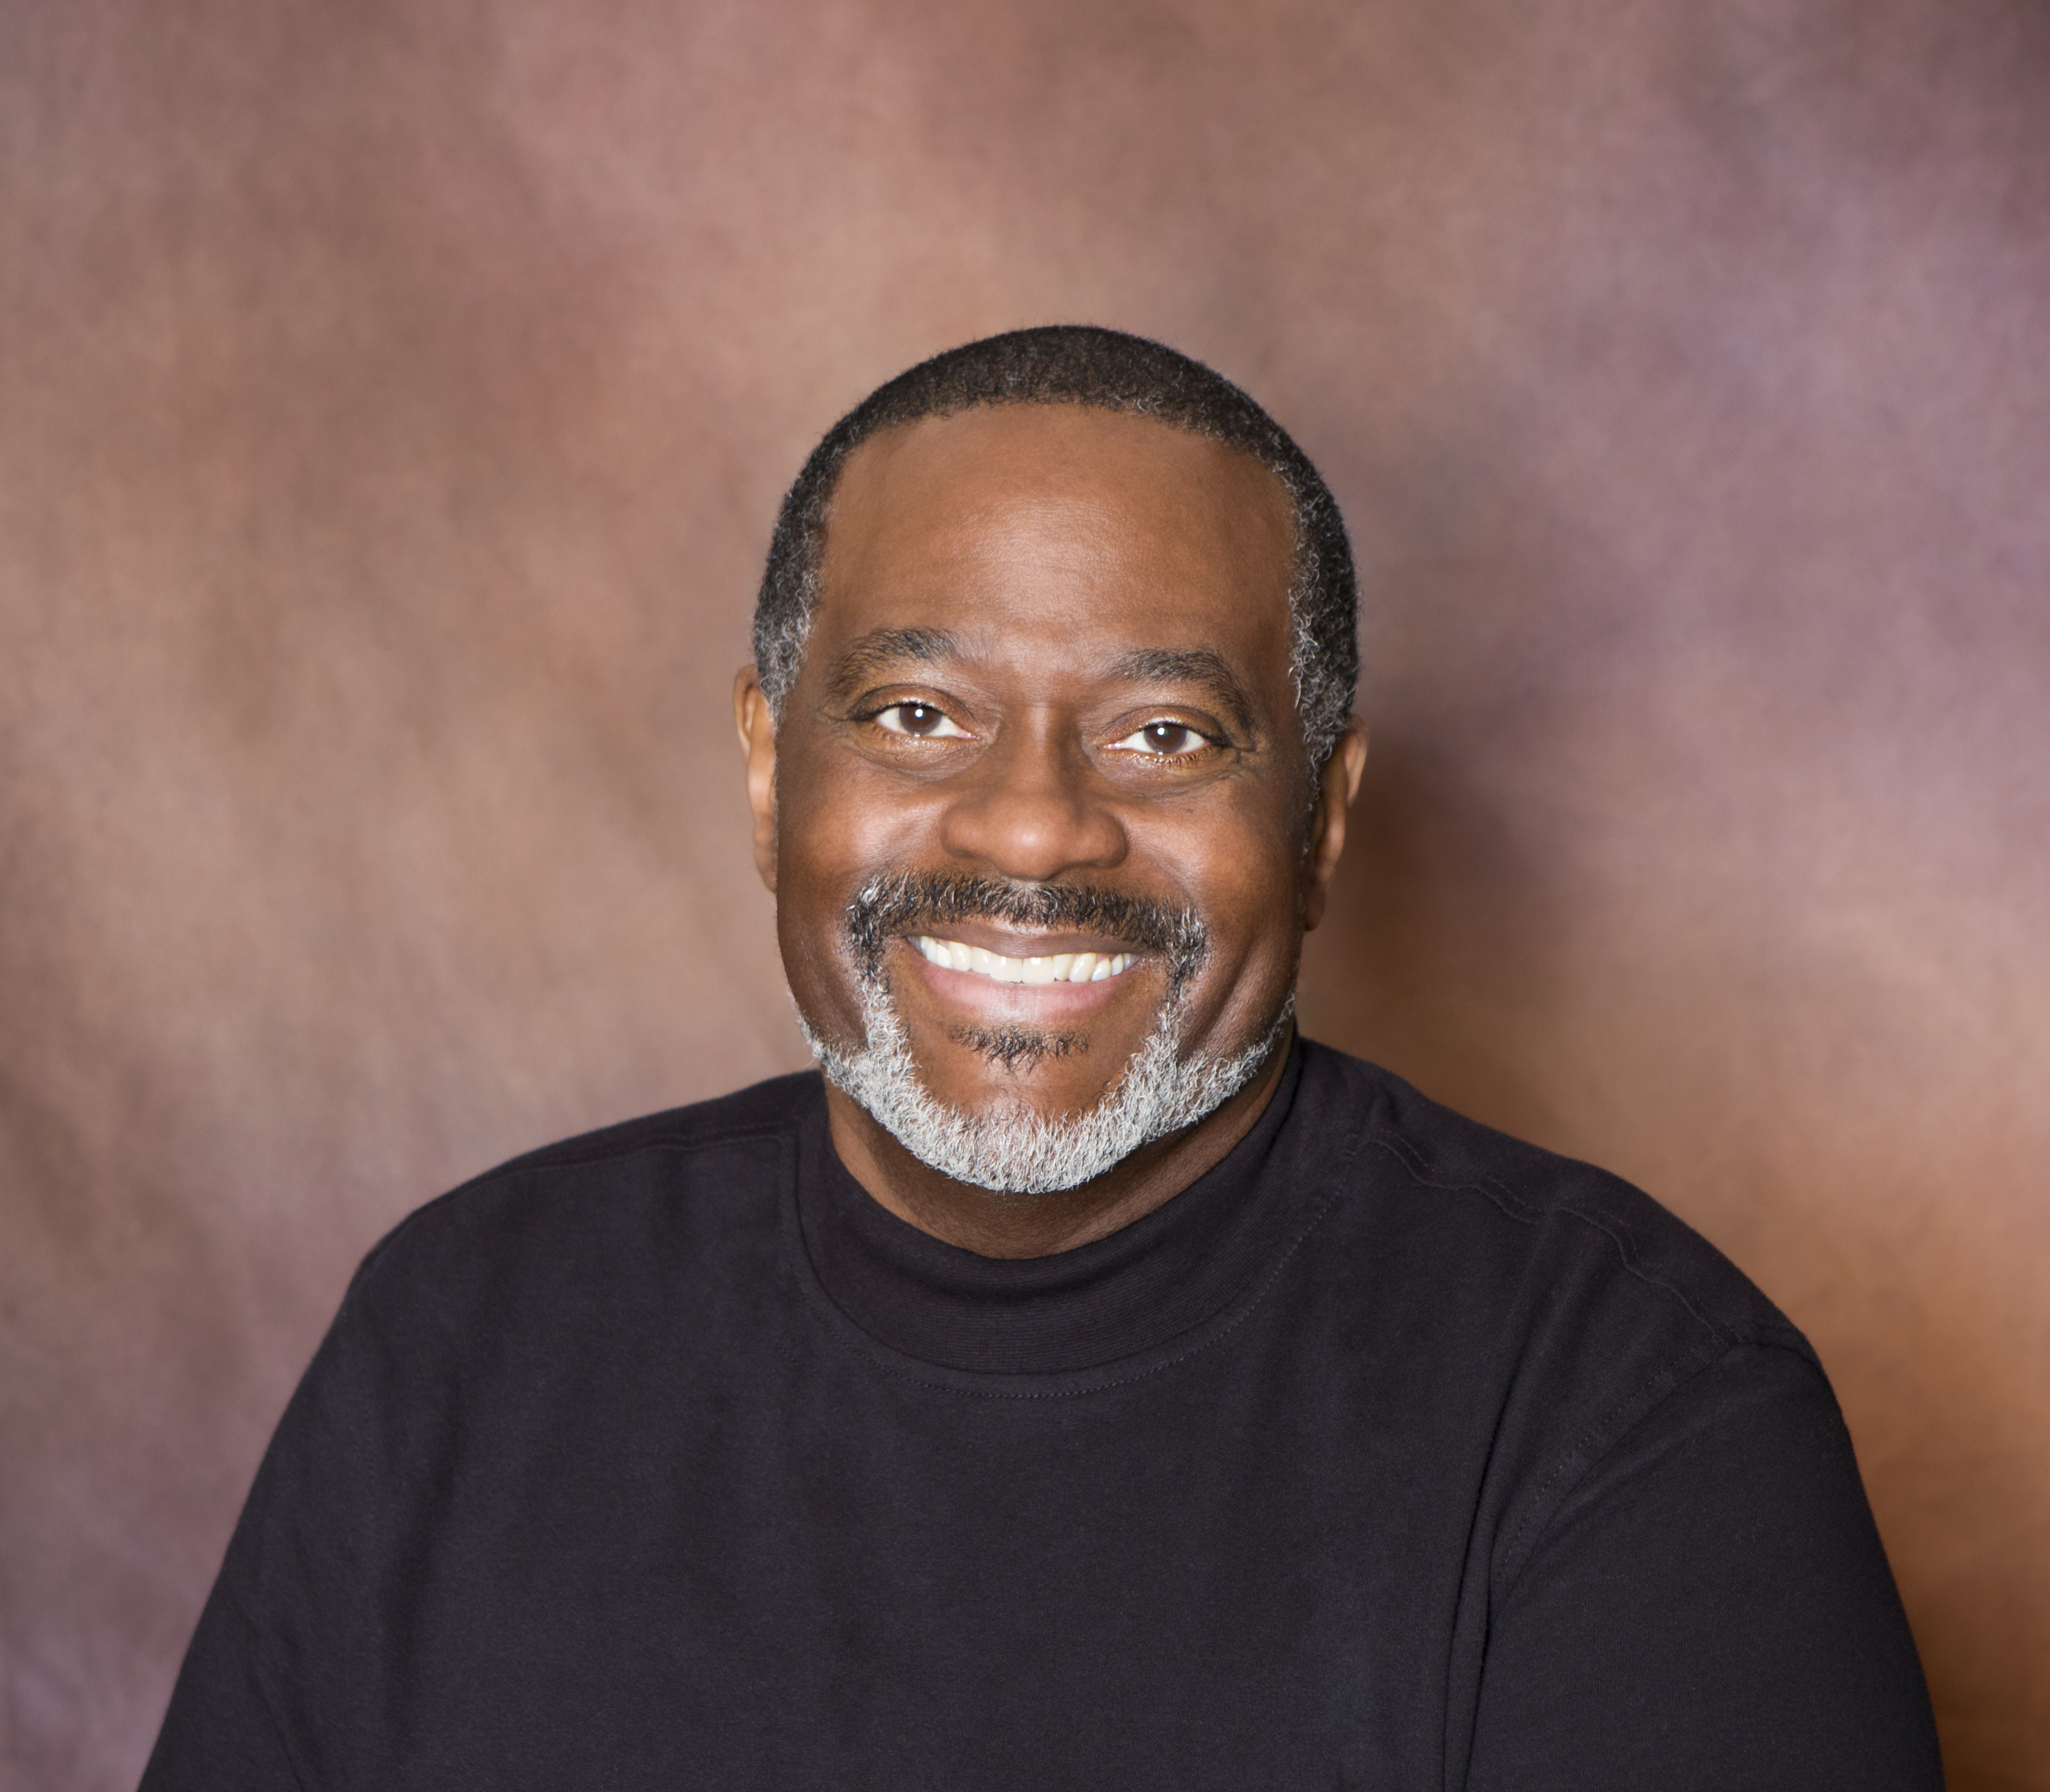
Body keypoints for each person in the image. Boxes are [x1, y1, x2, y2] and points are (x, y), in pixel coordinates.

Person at [142, 326, 1943, 1789]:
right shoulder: (467, 1330)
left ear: (1318, 820)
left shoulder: (1627, 1413)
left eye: (1164, 733)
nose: (1026, 833)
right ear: (774, 778)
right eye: (917, 716)